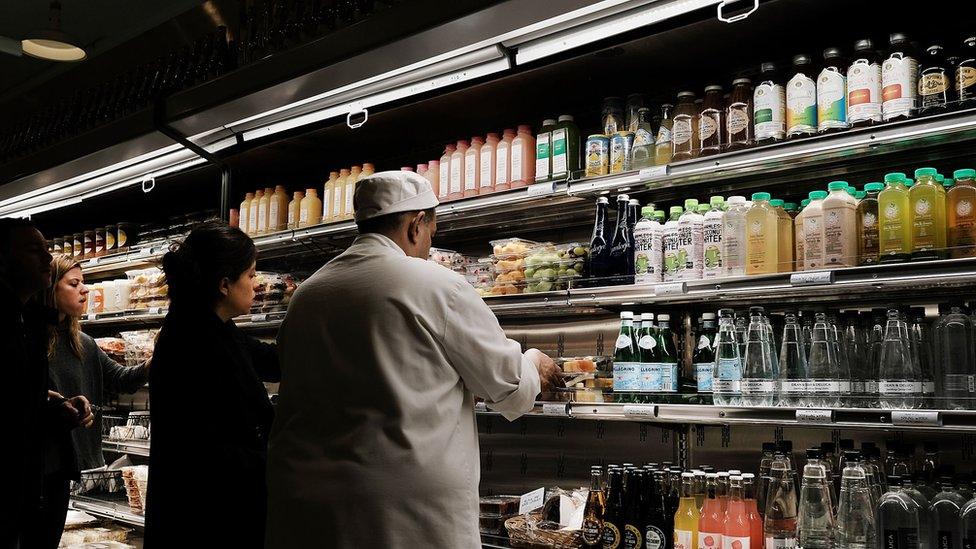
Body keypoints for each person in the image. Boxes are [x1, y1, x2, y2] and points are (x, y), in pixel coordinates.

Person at [265, 171, 561, 548]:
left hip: (305, 502)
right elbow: (507, 387)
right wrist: (534, 361)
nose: (427, 247)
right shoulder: (435, 285)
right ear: (416, 225)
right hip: (399, 513)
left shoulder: (308, 294)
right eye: (431, 235)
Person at [144, 221, 279, 549]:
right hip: (207, 516)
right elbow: (206, 446)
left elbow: (274, 362)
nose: (257, 284)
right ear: (224, 284)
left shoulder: (214, 329)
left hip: (206, 509)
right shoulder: (194, 341)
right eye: (250, 274)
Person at [29, 255, 150, 549]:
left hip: (81, 466)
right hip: (44, 466)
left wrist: (152, 364)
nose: (85, 290)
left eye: (83, 282)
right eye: (74, 283)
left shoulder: (83, 342)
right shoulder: (30, 341)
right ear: (49, 288)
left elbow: (122, 378)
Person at [0, 219, 93, 549]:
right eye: (33, 250)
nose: (47, 259)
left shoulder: (27, 322)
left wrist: (54, 406)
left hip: (32, 479)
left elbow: (21, 401)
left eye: (47, 249)